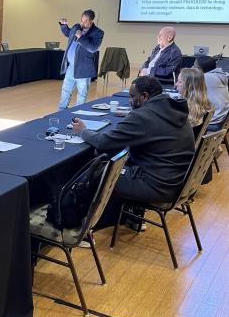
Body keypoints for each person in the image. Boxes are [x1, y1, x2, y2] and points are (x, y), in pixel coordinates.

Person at [71, 76, 194, 229]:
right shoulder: (175, 111)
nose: (129, 101)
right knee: (118, 161)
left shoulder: (143, 116)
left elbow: (104, 143)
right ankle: (133, 219)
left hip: (155, 187)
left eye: (132, 96)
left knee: (99, 173)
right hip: (176, 182)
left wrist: (83, 131)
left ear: (144, 96)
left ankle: (84, 229)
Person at [58, 10, 104, 109]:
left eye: (85, 21)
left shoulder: (98, 33)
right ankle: (60, 112)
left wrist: (80, 37)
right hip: (71, 66)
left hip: (83, 68)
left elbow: (92, 48)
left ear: (91, 21)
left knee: (81, 94)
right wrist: (63, 25)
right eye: (82, 20)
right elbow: (68, 33)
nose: (82, 23)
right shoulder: (77, 27)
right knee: (65, 90)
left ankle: (78, 114)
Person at [195, 56, 229, 131]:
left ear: (201, 69)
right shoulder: (221, 75)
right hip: (221, 119)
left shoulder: (204, 78)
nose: (193, 68)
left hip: (212, 122)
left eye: (195, 66)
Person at [176, 68, 212, 133]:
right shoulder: (203, 105)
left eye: (179, 82)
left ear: (189, 86)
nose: (176, 84)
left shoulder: (185, 111)